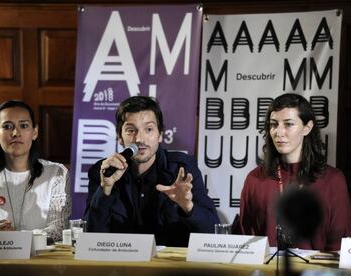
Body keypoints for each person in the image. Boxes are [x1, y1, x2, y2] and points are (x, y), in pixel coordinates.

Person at [85, 96, 219, 246]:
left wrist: (187, 206)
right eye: (131, 130)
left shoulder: (182, 168)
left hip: (170, 266)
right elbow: (90, 239)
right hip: (121, 266)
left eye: (148, 129)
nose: (140, 139)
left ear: (160, 134)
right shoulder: (103, 171)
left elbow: (213, 233)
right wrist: (105, 190)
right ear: (119, 137)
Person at [239, 93, 351, 250]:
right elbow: (245, 239)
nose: (279, 132)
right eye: (273, 124)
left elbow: (340, 245)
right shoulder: (255, 179)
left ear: (307, 128)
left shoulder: (333, 180)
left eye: (288, 124)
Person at [0, 100, 71, 241]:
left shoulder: (56, 173)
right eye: (7, 126)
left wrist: (18, 238)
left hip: (39, 259)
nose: (15, 133)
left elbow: (59, 229)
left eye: (23, 126)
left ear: (35, 132)